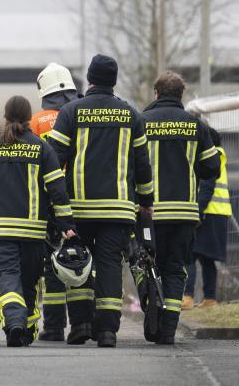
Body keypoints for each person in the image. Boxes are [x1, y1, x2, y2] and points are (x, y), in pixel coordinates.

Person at [48, 54, 154, 348]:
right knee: (109, 264)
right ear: (114, 81)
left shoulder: (70, 111)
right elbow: (143, 165)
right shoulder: (131, 115)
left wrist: (54, 203)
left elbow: (54, 159)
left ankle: (81, 324)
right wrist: (146, 200)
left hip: (79, 208)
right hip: (118, 209)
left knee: (78, 262)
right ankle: (107, 331)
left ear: (91, 79)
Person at [0, 95, 76, 347]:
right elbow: (57, 191)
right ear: (29, 118)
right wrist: (66, 225)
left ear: (5, 116)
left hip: (0, 232)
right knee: (28, 284)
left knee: (6, 279)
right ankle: (25, 330)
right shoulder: (42, 147)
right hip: (34, 235)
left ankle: (16, 323)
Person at [142, 72, 220, 343]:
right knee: (176, 268)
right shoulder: (195, 125)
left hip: (150, 213)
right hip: (184, 214)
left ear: (156, 93)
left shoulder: (142, 121)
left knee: (148, 266)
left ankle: (153, 317)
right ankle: (167, 331)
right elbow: (212, 167)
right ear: (181, 95)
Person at [29, 63, 88, 343]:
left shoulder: (37, 120)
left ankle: (53, 327)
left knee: (52, 264)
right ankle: (84, 324)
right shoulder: (82, 114)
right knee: (81, 261)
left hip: (49, 201)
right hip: (83, 197)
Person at [184, 127, 229, 310]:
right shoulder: (220, 155)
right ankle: (210, 298)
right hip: (218, 213)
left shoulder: (210, 157)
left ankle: (187, 297)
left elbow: (207, 186)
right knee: (207, 258)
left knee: (190, 254)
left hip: (207, 213)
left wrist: (198, 212)